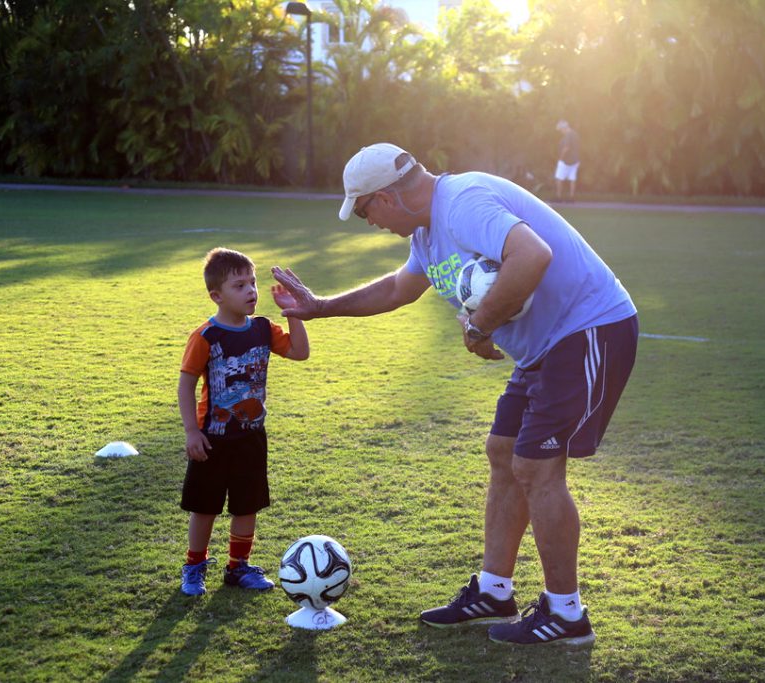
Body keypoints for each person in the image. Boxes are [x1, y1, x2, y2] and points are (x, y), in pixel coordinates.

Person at [272, 143, 638, 646]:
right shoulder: (426, 232)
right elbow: (400, 288)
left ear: (385, 197)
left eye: (363, 210)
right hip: (544, 348)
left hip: (587, 329)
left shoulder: (462, 201)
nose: (367, 221)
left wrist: (480, 327)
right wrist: (321, 307)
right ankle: (494, 590)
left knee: (536, 467)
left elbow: (532, 255)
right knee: (504, 453)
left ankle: (566, 613)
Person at [178, 247, 310, 596]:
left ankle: (238, 567)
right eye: (240, 285)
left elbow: (300, 351)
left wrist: (292, 312)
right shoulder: (206, 336)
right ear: (216, 295)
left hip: (251, 435)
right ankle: (194, 566)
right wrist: (192, 430)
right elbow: (186, 382)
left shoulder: (264, 329)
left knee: (246, 504)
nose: (250, 290)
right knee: (205, 507)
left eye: (252, 283)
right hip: (212, 437)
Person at [554, 120, 581, 202]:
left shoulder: (568, 135)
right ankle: (571, 198)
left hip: (566, 160)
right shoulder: (575, 134)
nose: (561, 132)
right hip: (576, 160)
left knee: (559, 178)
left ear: (564, 128)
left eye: (561, 129)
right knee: (572, 178)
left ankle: (559, 197)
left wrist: (561, 158)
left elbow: (566, 148)